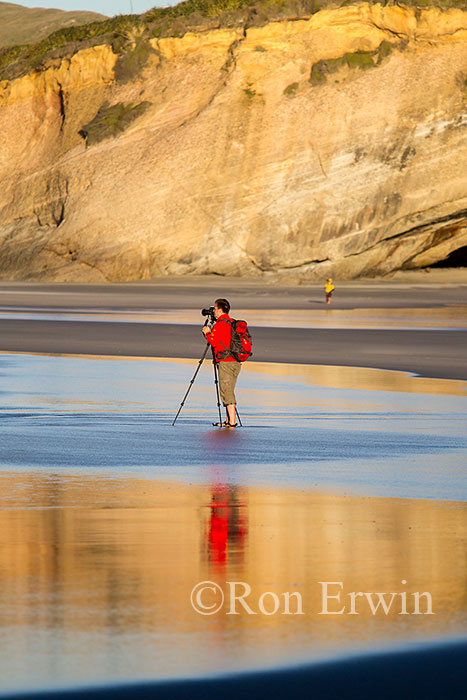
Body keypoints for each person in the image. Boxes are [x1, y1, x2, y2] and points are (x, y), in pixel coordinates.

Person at [202, 298, 241, 428]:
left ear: (219, 309)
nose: (213, 311)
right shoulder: (231, 322)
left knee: (227, 390)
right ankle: (228, 420)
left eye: (214, 308)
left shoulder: (221, 324)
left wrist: (207, 333)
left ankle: (232, 422)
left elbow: (214, 342)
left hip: (226, 361)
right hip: (234, 361)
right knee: (226, 389)